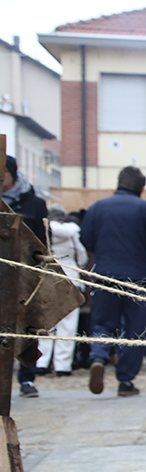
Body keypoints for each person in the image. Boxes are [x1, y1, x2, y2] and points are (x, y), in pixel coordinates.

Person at [79, 166, 146, 397]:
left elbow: (86, 239)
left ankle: (99, 356)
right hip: (137, 277)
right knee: (136, 330)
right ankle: (126, 381)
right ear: (141, 188)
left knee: (102, 322)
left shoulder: (97, 208)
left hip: (105, 274)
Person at [4, 156, 48, 396]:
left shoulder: (34, 204)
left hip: (25, 274)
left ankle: (27, 379)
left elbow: (43, 239)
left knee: (27, 326)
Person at [36, 205, 88, 379]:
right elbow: (82, 258)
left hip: (46, 279)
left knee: (45, 323)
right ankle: (62, 365)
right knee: (68, 324)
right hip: (70, 278)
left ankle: (42, 362)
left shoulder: (41, 232)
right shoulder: (71, 233)